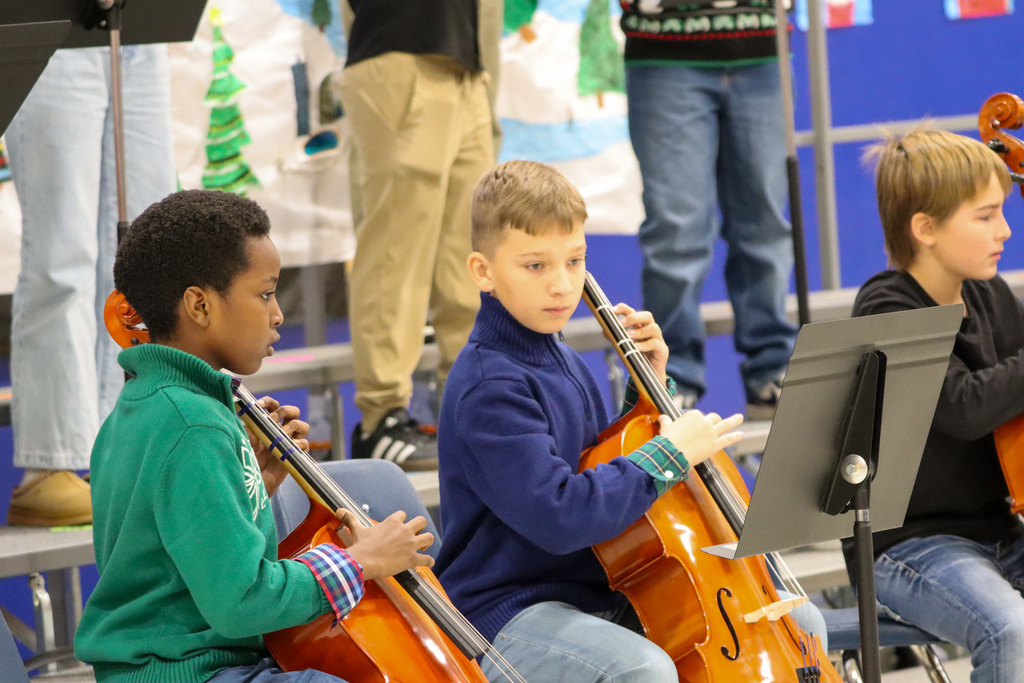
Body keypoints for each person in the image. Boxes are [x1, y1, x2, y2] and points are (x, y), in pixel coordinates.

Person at [74, 190, 436, 682]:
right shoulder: (193, 425)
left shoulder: (144, 408)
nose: (278, 314)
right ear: (199, 305)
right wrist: (360, 561)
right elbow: (242, 601)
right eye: (265, 294)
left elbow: (175, 544)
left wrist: (254, 487)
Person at [435, 160, 752, 681]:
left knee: (792, 618)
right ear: (483, 271)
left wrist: (647, 388)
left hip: (591, 591)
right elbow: (562, 515)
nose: (563, 286)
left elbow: (601, 458)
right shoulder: (490, 385)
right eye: (536, 266)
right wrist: (669, 455)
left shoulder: (555, 353)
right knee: (639, 669)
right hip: (503, 614)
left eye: (575, 260)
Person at [847, 128, 1024, 683]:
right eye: (986, 216)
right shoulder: (887, 307)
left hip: (1001, 527)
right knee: (1009, 628)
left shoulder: (987, 292)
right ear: (925, 229)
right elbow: (965, 409)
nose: (1005, 230)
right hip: (909, 546)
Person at [4, 44, 177, 526]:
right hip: (53, 36)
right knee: (61, 253)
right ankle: (48, 465)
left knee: (149, 249)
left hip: (139, 32)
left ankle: (130, 448)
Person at [621, 1, 798, 418]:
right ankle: (671, 375)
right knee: (675, 229)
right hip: (663, 48)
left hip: (762, 45)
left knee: (765, 221)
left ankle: (772, 366)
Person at [340, 0, 496, 470]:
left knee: (470, 259)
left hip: (466, 67)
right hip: (398, 50)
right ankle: (381, 417)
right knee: (396, 254)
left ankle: (472, 405)